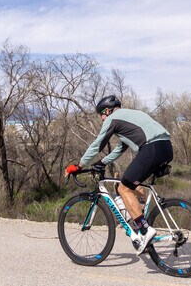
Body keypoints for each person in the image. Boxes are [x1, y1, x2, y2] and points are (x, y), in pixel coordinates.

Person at [65, 95, 173, 255]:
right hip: (166, 147)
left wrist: (79, 165)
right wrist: (103, 162)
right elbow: (121, 147)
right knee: (132, 184)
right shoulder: (132, 115)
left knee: (124, 189)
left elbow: (98, 144)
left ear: (108, 110)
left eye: (102, 114)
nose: (102, 119)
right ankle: (141, 216)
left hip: (151, 148)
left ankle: (145, 230)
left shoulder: (113, 119)